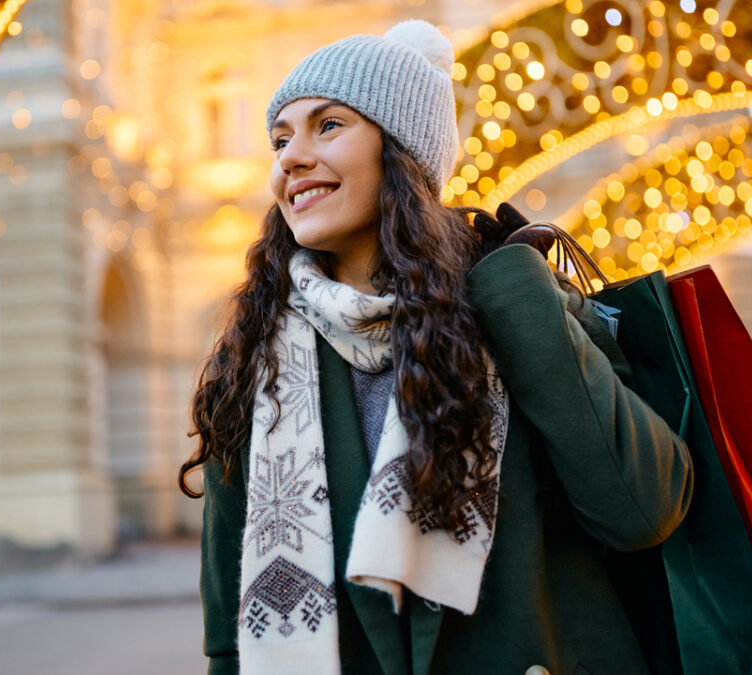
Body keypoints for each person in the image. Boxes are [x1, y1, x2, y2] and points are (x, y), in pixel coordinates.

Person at [178, 20, 693, 675]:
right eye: (281, 139)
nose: (290, 157)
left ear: (402, 150)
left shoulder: (513, 301)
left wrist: (520, 293)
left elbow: (641, 509)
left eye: (328, 126)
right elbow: (231, 638)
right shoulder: (255, 362)